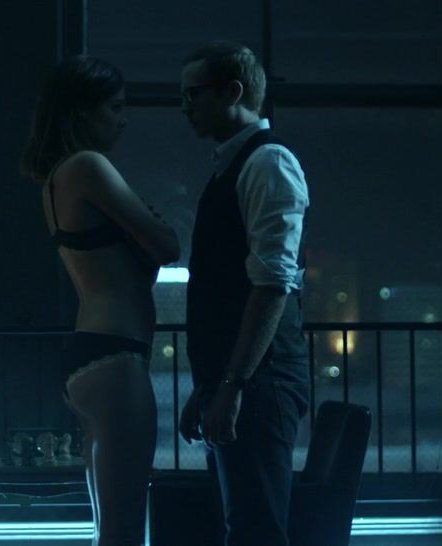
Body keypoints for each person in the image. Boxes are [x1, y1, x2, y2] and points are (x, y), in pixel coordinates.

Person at [20, 54, 180, 546]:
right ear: (82, 111)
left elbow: (139, 258)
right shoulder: (88, 166)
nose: (123, 119)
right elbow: (168, 245)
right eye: (115, 107)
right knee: (124, 528)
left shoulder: (57, 177)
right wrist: (152, 228)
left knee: (111, 526)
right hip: (116, 357)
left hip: (92, 353)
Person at [176, 41, 312, 546]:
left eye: (193, 93)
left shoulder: (266, 163)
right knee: (249, 526)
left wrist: (230, 387)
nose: (185, 106)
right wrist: (213, 387)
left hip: (258, 383)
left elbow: (273, 285)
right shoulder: (241, 165)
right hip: (249, 382)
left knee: (254, 530)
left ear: (232, 92)